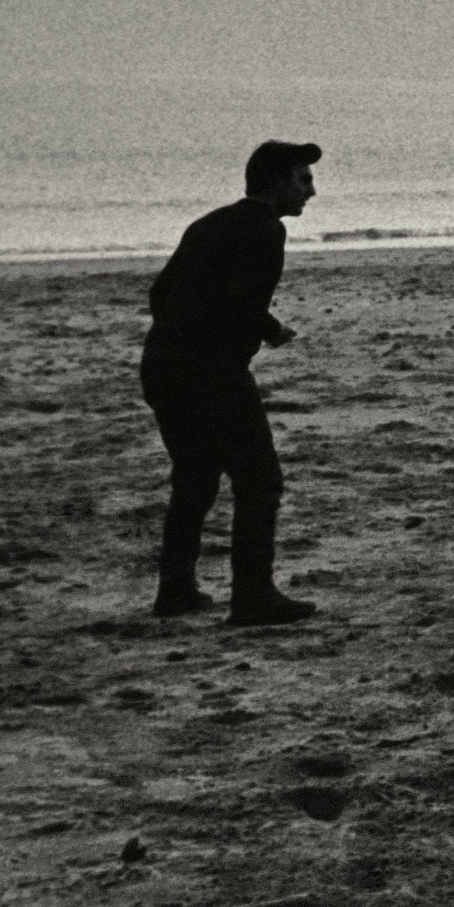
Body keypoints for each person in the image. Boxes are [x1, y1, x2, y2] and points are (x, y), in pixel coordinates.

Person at [141, 140, 324, 626]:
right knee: (260, 480)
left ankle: (175, 589)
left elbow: (161, 293)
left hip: (161, 364)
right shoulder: (265, 231)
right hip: (209, 371)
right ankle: (252, 597)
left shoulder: (209, 223)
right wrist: (266, 330)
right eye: (302, 180)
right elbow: (240, 303)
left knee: (196, 478)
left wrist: (191, 334)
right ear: (275, 183)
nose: (311, 191)